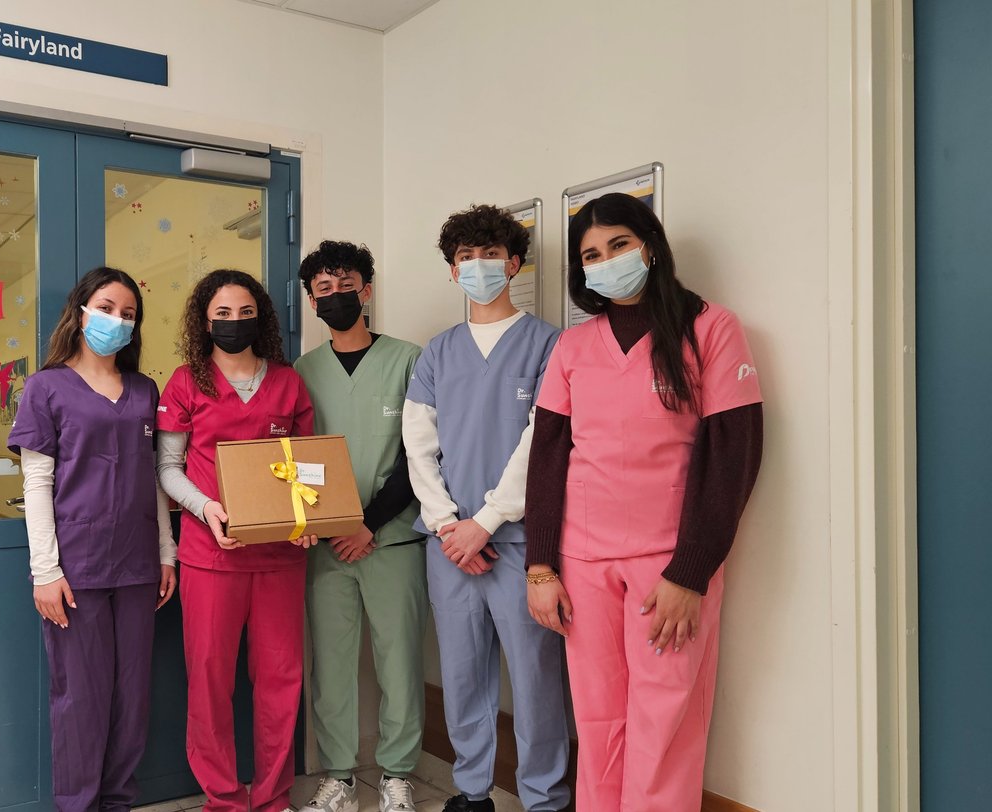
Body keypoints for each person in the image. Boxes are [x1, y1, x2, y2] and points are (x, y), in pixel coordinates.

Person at [524, 192, 763, 812]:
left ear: (650, 247)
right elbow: (548, 456)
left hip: (669, 565)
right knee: (598, 718)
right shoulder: (573, 347)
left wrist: (691, 572)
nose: (607, 262)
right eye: (591, 255)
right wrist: (541, 566)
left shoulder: (710, 328)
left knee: (665, 721)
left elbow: (733, 456)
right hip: (583, 560)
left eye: (619, 245)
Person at [403, 204, 571, 812]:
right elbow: (419, 445)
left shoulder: (549, 344)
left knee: (535, 679)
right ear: (453, 271)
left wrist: (488, 521)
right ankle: (472, 792)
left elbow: (543, 442)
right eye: (466, 257)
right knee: (462, 675)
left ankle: (545, 797)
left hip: (520, 542)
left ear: (514, 263)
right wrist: (449, 525)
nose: (478, 266)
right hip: (449, 544)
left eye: (490, 255)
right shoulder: (437, 353)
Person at [6, 266, 178, 812]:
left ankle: (117, 801)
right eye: (105, 308)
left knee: (132, 697)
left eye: (128, 314)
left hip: (137, 565)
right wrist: (45, 571)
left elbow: (153, 478)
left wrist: (167, 553)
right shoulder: (45, 387)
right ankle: (78, 805)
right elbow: (36, 483)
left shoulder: (145, 391)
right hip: (75, 568)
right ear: (80, 313)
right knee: (81, 698)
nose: (116, 320)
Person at [155, 269, 316, 812]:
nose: (234, 321)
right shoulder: (186, 382)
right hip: (210, 557)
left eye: (245, 312)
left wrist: (309, 518)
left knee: (280, 680)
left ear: (260, 318)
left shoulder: (288, 383)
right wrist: (206, 509)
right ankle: (222, 799)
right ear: (205, 322)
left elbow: (306, 467)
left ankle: (273, 797)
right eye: (222, 313)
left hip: (280, 558)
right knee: (209, 680)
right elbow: (168, 468)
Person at [291, 241, 426, 812]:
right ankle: (339, 777)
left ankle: (397, 774)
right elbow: (293, 458)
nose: (336, 295)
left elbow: (422, 456)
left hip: (391, 537)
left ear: (366, 290)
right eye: (323, 288)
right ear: (312, 301)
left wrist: (368, 524)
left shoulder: (410, 360)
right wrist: (324, 526)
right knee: (332, 663)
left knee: (400, 659)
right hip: (327, 545)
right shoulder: (303, 372)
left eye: (346, 284)